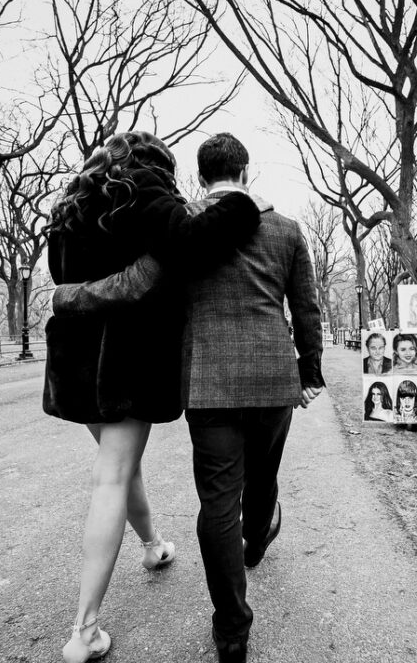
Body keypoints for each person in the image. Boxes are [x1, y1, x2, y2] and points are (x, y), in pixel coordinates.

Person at [53, 132, 324, 662]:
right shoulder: (281, 229)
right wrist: (309, 370)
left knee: (213, 499)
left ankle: (230, 630)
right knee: (260, 473)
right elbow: (305, 308)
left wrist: (72, 298)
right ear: (245, 172)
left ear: (201, 178)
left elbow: (152, 287)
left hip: (193, 380)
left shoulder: (155, 227)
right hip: (265, 377)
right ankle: (257, 531)